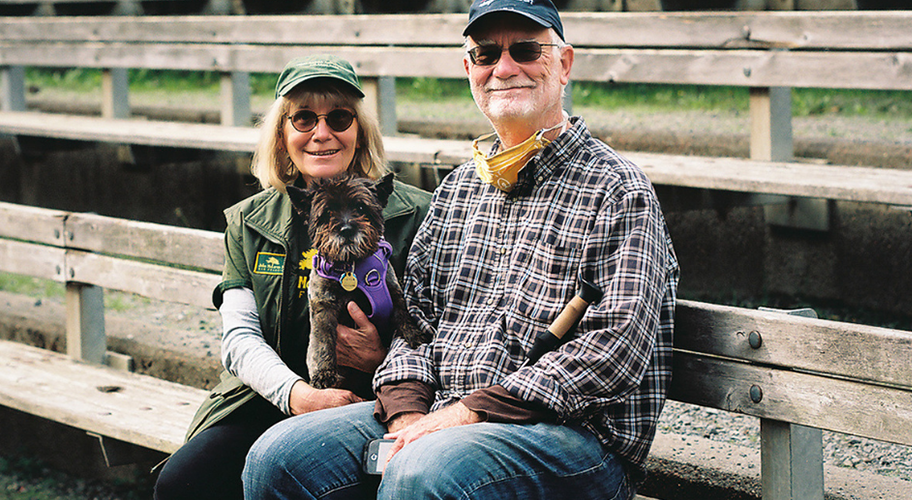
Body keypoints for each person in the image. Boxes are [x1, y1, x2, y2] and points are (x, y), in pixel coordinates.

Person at [241, 0, 680, 498]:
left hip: (570, 436)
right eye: (487, 53)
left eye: (526, 50)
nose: (504, 68)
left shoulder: (618, 189)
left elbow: (613, 350)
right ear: (469, 69)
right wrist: (407, 407)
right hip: (440, 413)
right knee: (278, 459)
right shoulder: (457, 189)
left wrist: (467, 412)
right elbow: (416, 322)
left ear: (564, 63)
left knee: (422, 472)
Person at [153, 54, 431, 500]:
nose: (322, 133)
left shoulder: (413, 212)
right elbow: (240, 338)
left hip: (386, 399)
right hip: (278, 395)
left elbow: (440, 324)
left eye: (339, 117)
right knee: (184, 484)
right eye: (303, 119)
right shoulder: (250, 221)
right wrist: (298, 396)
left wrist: (381, 358)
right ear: (283, 136)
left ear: (359, 132)